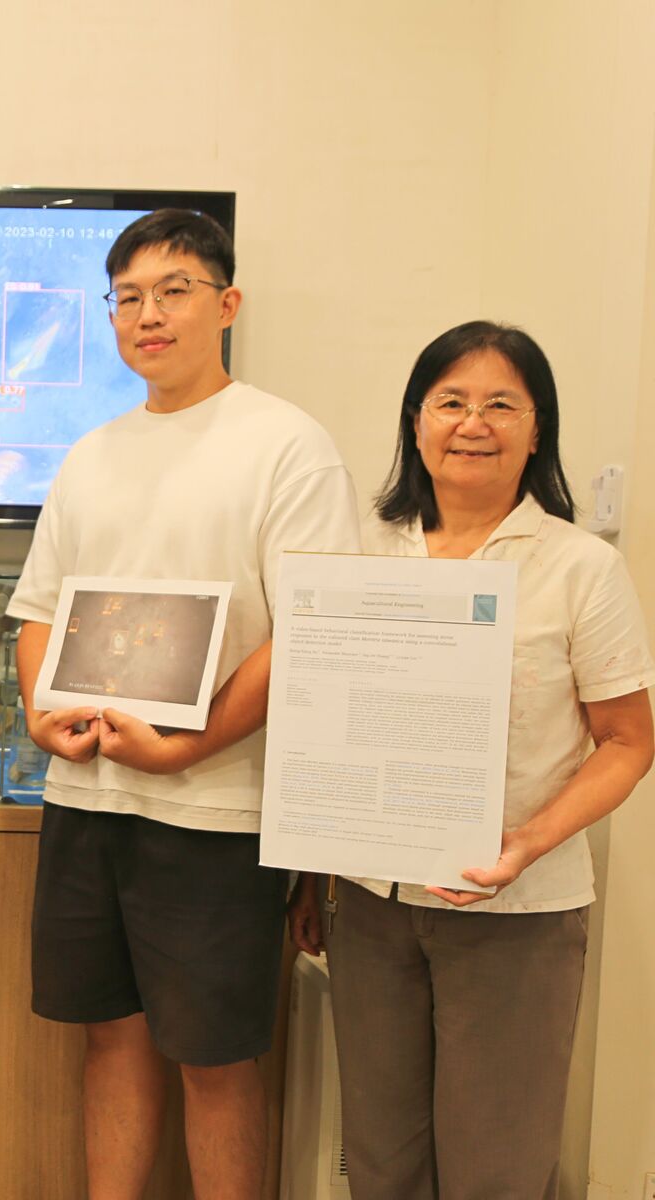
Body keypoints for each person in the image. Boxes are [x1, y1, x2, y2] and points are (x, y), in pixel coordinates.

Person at [6, 208, 360, 1200]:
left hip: (215, 812)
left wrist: (186, 747)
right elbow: (37, 610)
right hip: (89, 801)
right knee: (109, 1044)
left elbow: (309, 632)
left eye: (174, 291)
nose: (147, 316)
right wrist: (43, 716)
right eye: (127, 298)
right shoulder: (91, 452)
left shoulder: (286, 444)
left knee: (216, 1061)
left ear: (226, 304)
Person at [287, 321, 653, 1200]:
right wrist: (311, 878)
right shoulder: (360, 549)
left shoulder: (581, 567)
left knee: (496, 1167)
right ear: (416, 422)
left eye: (500, 404)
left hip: (517, 914)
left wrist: (524, 842)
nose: (473, 423)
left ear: (537, 429)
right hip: (371, 907)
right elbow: (323, 722)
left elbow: (629, 742)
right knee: (380, 1161)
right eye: (450, 402)